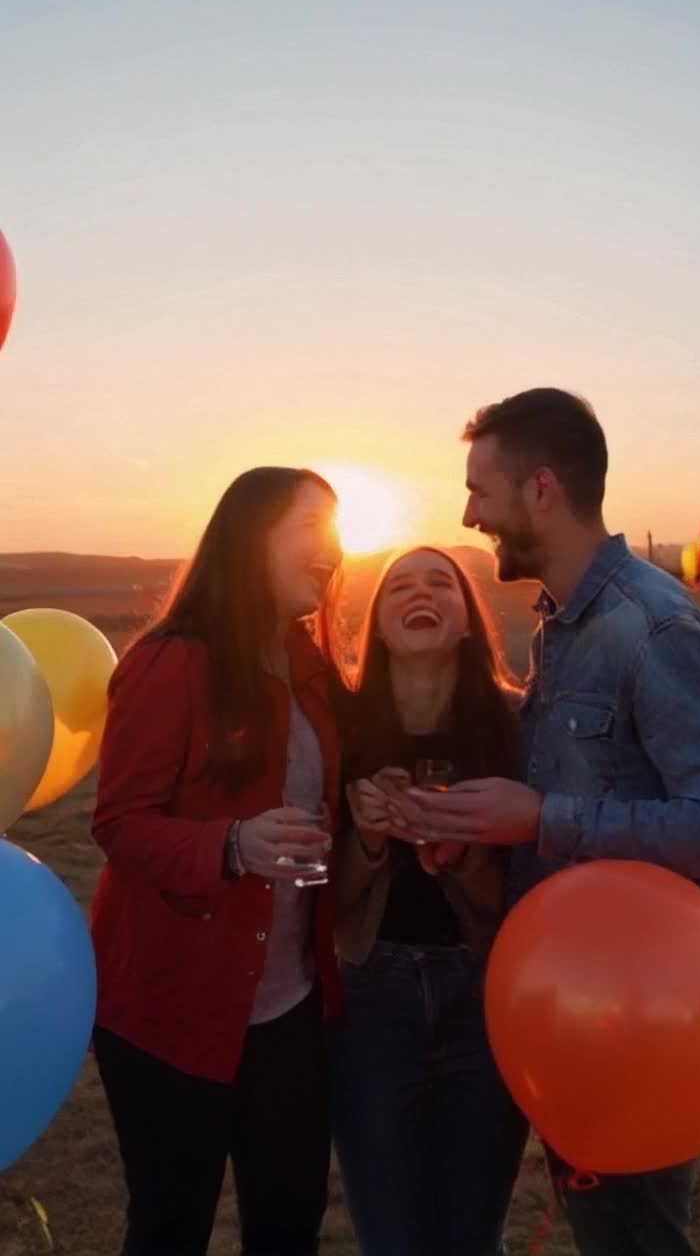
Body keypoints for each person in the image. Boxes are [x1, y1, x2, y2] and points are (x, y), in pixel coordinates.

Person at [390, 388, 700, 1256]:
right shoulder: (563, 628)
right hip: (576, 1009)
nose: (469, 514)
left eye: (480, 490)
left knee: (636, 1239)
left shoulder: (651, 628)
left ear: (540, 490)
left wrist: (543, 817)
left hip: (647, 1015)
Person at [90, 466, 343, 1256]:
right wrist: (232, 846)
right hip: (170, 1011)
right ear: (250, 537)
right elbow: (119, 823)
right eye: (310, 528)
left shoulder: (312, 668)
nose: (331, 548)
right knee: (171, 1226)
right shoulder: (171, 664)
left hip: (290, 1009)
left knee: (287, 1225)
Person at [319, 546, 528, 1256]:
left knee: (473, 1237)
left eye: (443, 583)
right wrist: (370, 841)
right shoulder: (339, 731)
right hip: (370, 1002)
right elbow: (331, 909)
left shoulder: (517, 727)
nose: (423, 593)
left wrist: (464, 858)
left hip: (487, 1000)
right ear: (376, 625)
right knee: (394, 1241)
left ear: (469, 622)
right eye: (400, 586)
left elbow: (525, 907)